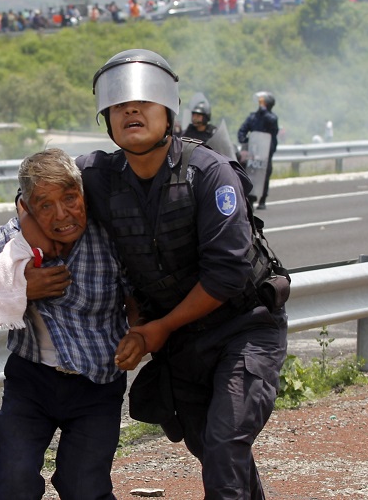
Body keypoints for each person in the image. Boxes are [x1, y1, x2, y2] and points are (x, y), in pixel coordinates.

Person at [77, 49, 288, 499]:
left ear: (168, 111)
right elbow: (37, 190)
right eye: (118, 104)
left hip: (243, 328)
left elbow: (228, 274)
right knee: (212, 451)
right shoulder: (98, 176)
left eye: (144, 101)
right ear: (106, 119)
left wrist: (159, 328)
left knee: (224, 443)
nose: (130, 109)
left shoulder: (209, 174)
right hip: (181, 343)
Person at [0, 148, 130, 500]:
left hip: (98, 384)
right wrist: (19, 287)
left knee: (84, 487)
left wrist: (141, 335)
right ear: (26, 208)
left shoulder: (111, 235)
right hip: (32, 382)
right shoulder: (13, 240)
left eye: (70, 198)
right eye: (45, 205)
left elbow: (139, 297)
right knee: (13, 485)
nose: (62, 214)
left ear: (83, 194)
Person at [237, 91, 279, 210]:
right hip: (253, 151)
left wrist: (264, 111)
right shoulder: (253, 117)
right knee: (250, 172)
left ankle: (263, 198)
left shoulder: (272, 117)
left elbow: (272, 124)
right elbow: (243, 129)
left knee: (265, 173)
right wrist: (243, 139)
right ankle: (250, 198)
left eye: (263, 102)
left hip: (266, 152)